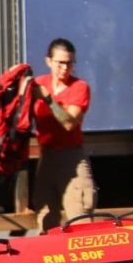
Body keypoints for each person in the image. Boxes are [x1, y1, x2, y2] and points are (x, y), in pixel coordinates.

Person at [32, 37, 96, 233]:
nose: (65, 68)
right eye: (60, 63)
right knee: (45, 221)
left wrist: (48, 100)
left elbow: (69, 123)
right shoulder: (38, 83)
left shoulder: (79, 87)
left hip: (72, 159)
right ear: (49, 61)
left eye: (69, 63)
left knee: (80, 221)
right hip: (47, 156)